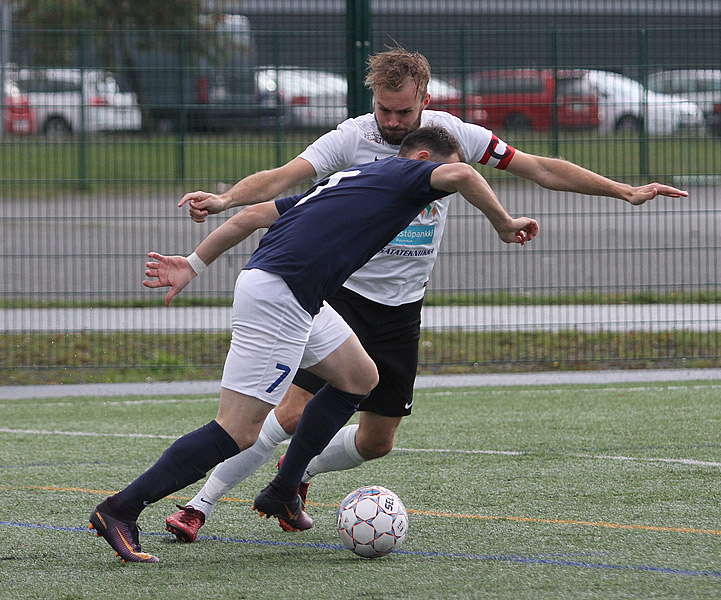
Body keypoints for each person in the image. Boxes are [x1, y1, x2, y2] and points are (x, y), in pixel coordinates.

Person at [163, 46, 688, 542]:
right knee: (292, 410)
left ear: (426, 101)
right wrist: (226, 198)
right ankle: (199, 506)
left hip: (400, 311)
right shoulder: (351, 137)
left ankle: (296, 469)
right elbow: (285, 177)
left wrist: (624, 190)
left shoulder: (456, 136)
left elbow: (540, 168)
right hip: (340, 298)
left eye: (403, 112)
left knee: (376, 442)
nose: (391, 122)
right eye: (384, 111)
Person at [88, 126, 538, 563]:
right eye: (441, 178)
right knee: (237, 430)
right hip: (281, 296)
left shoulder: (352, 179)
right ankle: (122, 508)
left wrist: (193, 263)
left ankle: (284, 489)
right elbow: (461, 175)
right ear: (422, 161)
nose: (445, 191)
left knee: (359, 376)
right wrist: (504, 223)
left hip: (294, 292)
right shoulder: (410, 174)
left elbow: (251, 215)